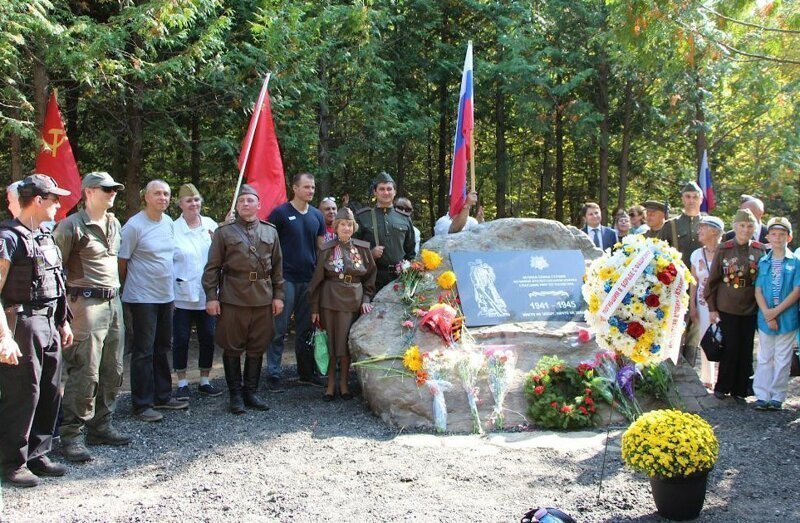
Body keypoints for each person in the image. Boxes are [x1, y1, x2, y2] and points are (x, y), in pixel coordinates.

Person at [0, 174, 72, 487]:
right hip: (22, 324)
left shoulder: (44, 234)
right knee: (23, 394)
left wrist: (64, 320)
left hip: (49, 321)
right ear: (38, 200)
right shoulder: (9, 237)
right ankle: (12, 462)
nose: (59, 203)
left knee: (51, 388)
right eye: (54, 198)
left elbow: (56, 282)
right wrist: (4, 336)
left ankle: (38, 454)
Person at [53, 172, 130, 463]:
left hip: (113, 303)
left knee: (113, 368)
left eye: (115, 189)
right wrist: (62, 314)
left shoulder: (114, 223)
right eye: (106, 189)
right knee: (85, 370)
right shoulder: (71, 226)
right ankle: (72, 435)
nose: (112, 193)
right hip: (84, 305)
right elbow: (54, 271)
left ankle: (101, 425)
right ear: (87, 192)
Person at [203, 184, 284, 414]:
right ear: (237, 206)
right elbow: (212, 268)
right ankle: (235, 395)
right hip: (233, 297)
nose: (245, 204)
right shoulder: (224, 232)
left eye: (250, 200)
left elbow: (278, 267)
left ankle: (251, 392)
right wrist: (212, 297)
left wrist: (278, 296)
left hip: (262, 298)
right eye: (241, 201)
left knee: (257, 347)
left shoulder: (270, 232)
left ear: (259, 205)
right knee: (232, 347)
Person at [119, 180, 187, 422]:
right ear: (146, 197)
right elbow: (122, 261)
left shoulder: (168, 223)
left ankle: (163, 396)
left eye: (166, 194)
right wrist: (126, 290)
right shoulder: (134, 226)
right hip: (142, 297)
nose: (163, 197)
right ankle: (141, 404)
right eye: (157, 193)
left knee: (162, 347)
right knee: (143, 351)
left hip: (165, 297)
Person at [266, 173, 326, 392]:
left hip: (309, 280)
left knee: (306, 329)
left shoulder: (317, 215)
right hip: (286, 279)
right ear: (295, 188)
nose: (310, 190)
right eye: (306, 187)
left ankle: (305, 372)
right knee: (278, 328)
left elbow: (322, 248)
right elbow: (269, 244)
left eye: (312, 187)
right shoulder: (280, 214)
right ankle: (273, 373)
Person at [309, 208, 376, 400]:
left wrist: (366, 300)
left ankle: (345, 385)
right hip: (330, 299)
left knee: (346, 343)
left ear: (354, 227)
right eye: (342, 225)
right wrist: (314, 308)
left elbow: (370, 278)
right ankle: (330, 385)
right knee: (331, 342)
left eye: (349, 225)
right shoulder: (327, 248)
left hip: (354, 299)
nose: (346, 228)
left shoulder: (363, 248)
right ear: (336, 227)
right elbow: (316, 281)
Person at [704, 209, 766, 404]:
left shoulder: (759, 249)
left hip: (751, 306)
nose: (745, 229)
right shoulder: (724, 248)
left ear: (754, 228)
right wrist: (712, 308)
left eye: (749, 226)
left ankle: (741, 389)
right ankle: (722, 386)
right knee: (729, 347)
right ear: (735, 226)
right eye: (741, 225)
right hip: (727, 305)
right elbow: (712, 281)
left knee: (746, 348)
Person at [171, 183, 221, 401]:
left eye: (196, 200)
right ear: (180, 204)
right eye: (189, 201)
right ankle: (181, 382)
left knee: (208, 337)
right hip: (180, 294)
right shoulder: (172, 228)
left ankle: (205, 380)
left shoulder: (211, 225)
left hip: (206, 294)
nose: (193, 204)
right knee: (181, 339)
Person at [752, 217, 800, 411]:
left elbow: (797, 290)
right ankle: (762, 395)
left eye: (782, 235)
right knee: (764, 356)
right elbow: (758, 290)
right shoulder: (763, 261)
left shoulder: (796, 262)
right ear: (768, 237)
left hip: (787, 317)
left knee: (782, 358)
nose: (777, 238)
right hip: (765, 317)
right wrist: (767, 314)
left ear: (789, 237)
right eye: (774, 234)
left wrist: (776, 313)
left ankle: (777, 396)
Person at [355, 172, 416, 291]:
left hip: (400, 278)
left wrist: (409, 272)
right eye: (381, 189)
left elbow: (411, 251)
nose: (386, 192)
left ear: (395, 192)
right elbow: (352, 248)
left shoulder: (404, 218)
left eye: (389, 189)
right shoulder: (363, 217)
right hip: (373, 278)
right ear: (375, 192)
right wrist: (370, 254)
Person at [688, 215, 724, 391]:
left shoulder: (725, 252)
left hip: (723, 304)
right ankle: (707, 378)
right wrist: (692, 306)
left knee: (724, 339)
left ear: (714, 231)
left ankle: (723, 378)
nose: (699, 230)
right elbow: (693, 282)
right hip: (702, 304)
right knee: (705, 339)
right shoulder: (696, 255)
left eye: (703, 227)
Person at [660, 181, 704, 269]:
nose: (691, 200)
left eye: (695, 197)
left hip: (704, 278)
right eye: (688, 197)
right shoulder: (671, 225)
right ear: (682, 199)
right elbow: (660, 253)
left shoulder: (709, 224)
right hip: (678, 277)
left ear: (701, 200)